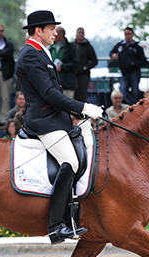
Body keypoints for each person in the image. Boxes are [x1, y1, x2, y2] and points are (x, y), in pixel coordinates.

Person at [16, 10, 103, 243]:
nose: (55, 33)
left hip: (57, 119)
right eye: (52, 29)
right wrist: (82, 107)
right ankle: (56, 225)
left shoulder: (41, 52)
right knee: (70, 162)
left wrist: (76, 113)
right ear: (38, 31)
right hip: (44, 121)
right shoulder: (31, 55)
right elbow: (48, 94)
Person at [109, 27, 147, 105]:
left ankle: (136, 106)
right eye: (126, 34)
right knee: (123, 92)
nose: (128, 36)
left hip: (134, 73)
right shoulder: (120, 46)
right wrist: (113, 55)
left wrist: (134, 63)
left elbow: (143, 60)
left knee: (135, 92)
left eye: (129, 34)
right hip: (124, 73)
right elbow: (111, 52)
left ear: (132, 35)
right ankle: (134, 105)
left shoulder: (137, 47)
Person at [49, 26, 78, 98]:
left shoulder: (71, 47)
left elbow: (75, 63)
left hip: (67, 83)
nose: (54, 34)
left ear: (62, 34)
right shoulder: (51, 47)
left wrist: (62, 67)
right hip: (53, 82)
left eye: (56, 33)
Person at [74, 27, 98, 102]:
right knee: (74, 93)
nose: (81, 34)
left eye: (82, 33)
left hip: (83, 74)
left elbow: (94, 61)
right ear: (76, 34)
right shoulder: (72, 46)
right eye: (79, 32)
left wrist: (85, 68)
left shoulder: (88, 46)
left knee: (82, 94)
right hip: (73, 73)